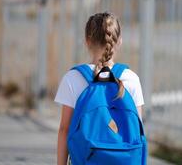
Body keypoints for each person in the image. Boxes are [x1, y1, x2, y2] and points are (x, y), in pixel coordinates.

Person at [54, 12, 145, 165]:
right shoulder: (132, 79)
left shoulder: (73, 78)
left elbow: (64, 130)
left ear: (87, 41)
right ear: (119, 41)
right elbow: (138, 129)